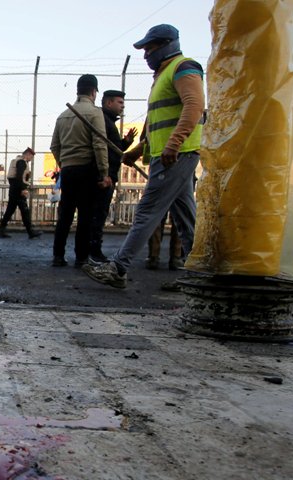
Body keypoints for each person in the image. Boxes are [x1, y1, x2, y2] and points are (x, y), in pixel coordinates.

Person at [84, 24, 204, 289]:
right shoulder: (163, 76)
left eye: (150, 48)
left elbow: (195, 106)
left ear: (167, 45)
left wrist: (174, 143)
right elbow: (159, 124)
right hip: (172, 155)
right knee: (186, 218)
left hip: (176, 155)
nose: (146, 54)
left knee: (147, 211)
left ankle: (118, 268)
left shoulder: (184, 68)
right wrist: (137, 151)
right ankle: (200, 275)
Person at [50, 74, 111, 267]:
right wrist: (104, 172)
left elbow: (54, 146)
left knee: (66, 214)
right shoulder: (94, 113)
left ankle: (58, 255)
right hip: (87, 169)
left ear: (78, 90)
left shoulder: (63, 115)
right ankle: (81, 257)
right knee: (85, 214)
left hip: (68, 170)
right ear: (94, 92)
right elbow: (100, 144)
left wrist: (64, 162)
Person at [89, 90, 138, 263]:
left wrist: (125, 143)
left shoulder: (108, 122)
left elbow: (113, 149)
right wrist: (106, 174)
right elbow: (104, 150)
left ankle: (92, 250)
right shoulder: (104, 121)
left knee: (97, 213)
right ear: (108, 103)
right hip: (105, 176)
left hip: (107, 174)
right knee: (99, 213)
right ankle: (94, 251)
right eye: (120, 102)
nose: (122, 106)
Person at [0, 148, 43, 239]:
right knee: (25, 211)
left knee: (10, 210)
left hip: (14, 188)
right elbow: (20, 176)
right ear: (27, 154)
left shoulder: (16, 161)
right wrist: (23, 189)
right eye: (31, 156)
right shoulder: (22, 162)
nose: (31, 159)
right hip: (18, 190)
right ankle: (30, 232)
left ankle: (1, 231)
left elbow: (14, 177)